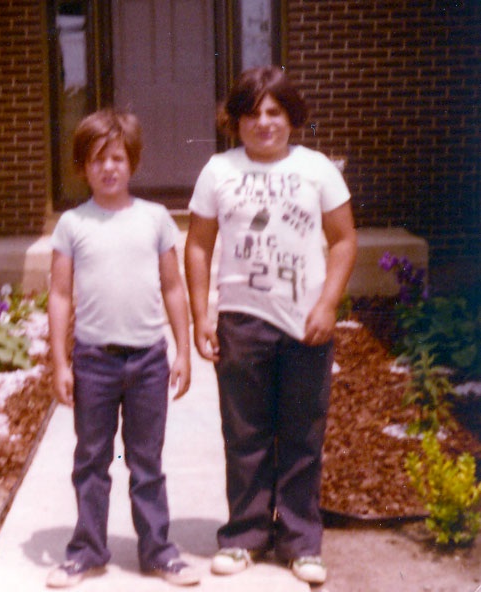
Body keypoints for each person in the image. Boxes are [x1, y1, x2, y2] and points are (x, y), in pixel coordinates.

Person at [184, 66, 357, 585]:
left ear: (290, 118)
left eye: (274, 112)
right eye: (252, 112)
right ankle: (245, 535)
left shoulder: (318, 169)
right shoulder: (218, 171)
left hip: (306, 323)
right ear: (236, 120)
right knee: (245, 435)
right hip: (242, 321)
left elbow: (345, 241)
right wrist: (202, 313)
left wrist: (327, 304)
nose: (264, 122)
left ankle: (301, 540)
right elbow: (198, 245)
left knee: (303, 434)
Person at [46, 108, 198, 588]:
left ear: (130, 162)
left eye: (115, 158)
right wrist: (59, 362)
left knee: (146, 461)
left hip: (149, 360)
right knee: (91, 459)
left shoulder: (155, 220)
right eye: (96, 160)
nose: (107, 168)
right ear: (82, 167)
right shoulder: (73, 225)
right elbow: (60, 295)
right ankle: (88, 550)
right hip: (93, 361)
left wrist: (184, 350)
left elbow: (174, 288)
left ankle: (158, 550)